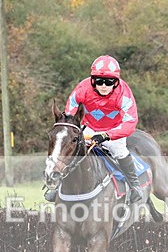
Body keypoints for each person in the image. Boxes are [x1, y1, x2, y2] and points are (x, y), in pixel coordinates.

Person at [45, 55, 144, 203]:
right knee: (68, 148)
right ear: (93, 80)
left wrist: (106, 135)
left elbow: (130, 123)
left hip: (114, 130)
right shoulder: (82, 89)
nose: (103, 85)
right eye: (99, 81)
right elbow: (70, 114)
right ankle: (56, 185)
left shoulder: (124, 93)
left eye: (109, 81)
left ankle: (135, 185)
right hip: (88, 128)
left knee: (120, 151)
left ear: (116, 82)